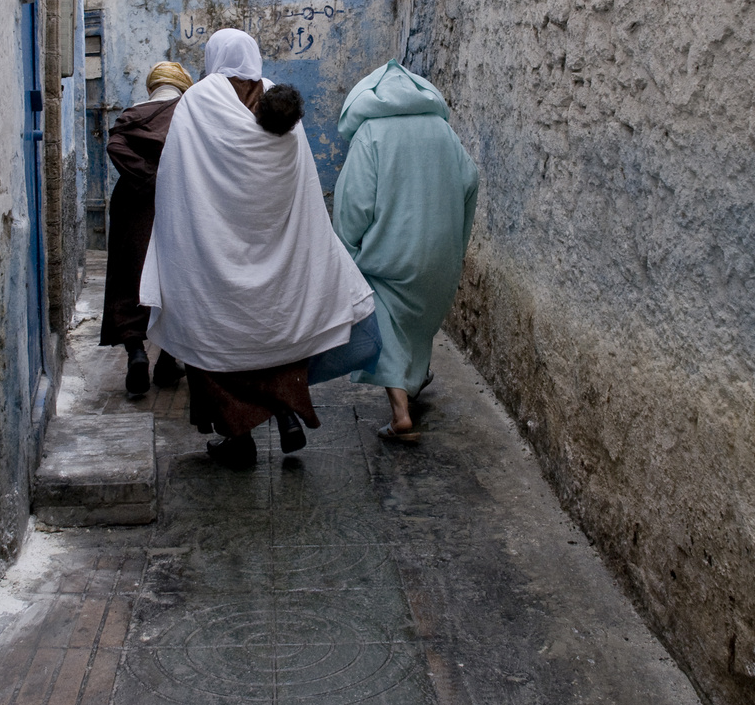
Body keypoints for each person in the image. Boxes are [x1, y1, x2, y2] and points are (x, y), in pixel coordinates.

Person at [140, 29, 376, 468]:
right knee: (276, 340)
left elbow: (176, 179)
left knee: (214, 341)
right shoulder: (277, 97)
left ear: (213, 57)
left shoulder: (198, 100)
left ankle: (239, 438)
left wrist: (184, 239)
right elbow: (301, 180)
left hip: (212, 253)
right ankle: (285, 414)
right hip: (277, 249)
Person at [333, 60, 478, 440]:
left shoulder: (370, 134)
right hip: (439, 254)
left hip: (390, 256)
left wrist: (347, 251)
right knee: (417, 324)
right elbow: (470, 181)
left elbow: (354, 203)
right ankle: (414, 381)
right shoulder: (444, 132)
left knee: (387, 324)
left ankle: (400, 412)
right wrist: (455, 243)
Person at [100, 61, 194, 395]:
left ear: (152, 86)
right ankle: (168, 362)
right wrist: (164, 177)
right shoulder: (188, 113)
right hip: (176, 204)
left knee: (131, 275)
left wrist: (144, 174)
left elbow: (114, 146)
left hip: (133, 205)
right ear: (183, 86)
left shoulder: (133, 113)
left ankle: (136, 353)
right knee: (175, 277)